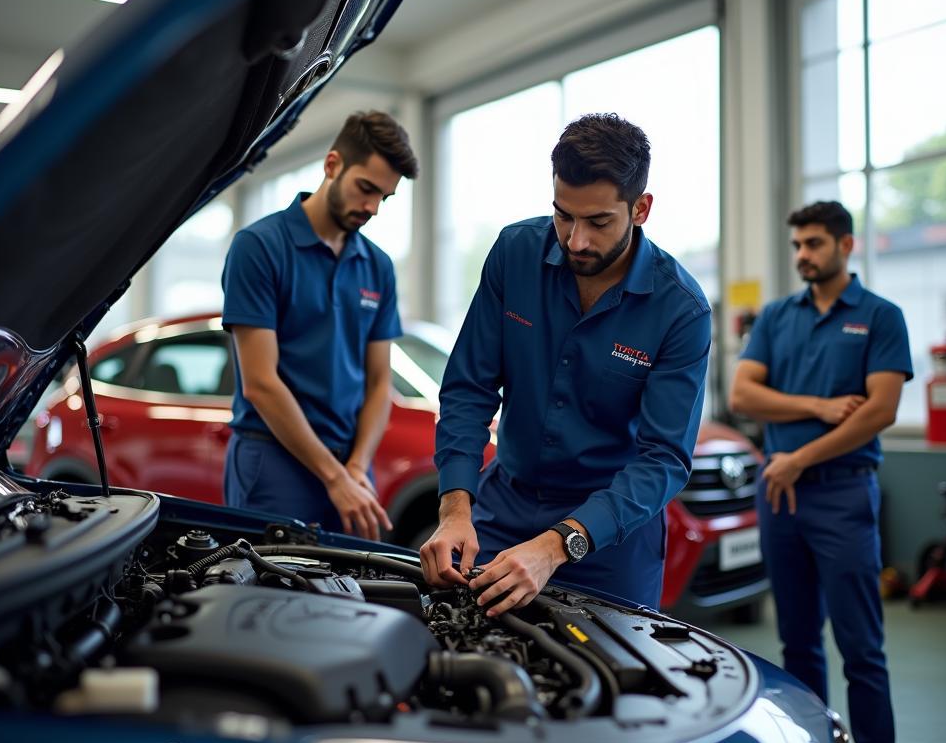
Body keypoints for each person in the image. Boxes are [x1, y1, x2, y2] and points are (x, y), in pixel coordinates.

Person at [420, 112, 711, 616]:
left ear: (640, 208)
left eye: (598, 222)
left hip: (611, 536)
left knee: (611, 682)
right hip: (503, 508)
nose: (576, 240)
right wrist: (454, 510)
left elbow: (662, 458)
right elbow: (468, 390)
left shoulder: (680, 309)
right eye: (563, 215)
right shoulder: (514, 253)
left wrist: (556, 546)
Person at [729, 200, 912, 743]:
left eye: (814, 244)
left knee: (862, 645)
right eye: (797, 245)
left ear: (845, 245)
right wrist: (820, 405)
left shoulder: (881, 318)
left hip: (841, 491)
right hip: (781, 494)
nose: (803, 255)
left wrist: (797, 455)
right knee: (797, 642)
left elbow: (880, 410)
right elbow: (742, 393)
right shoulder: (779, 316)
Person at [221, 110, 418, 539]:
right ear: (332, 165)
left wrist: (356, 467)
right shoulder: (258, 248)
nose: (372, 208)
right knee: (269, 602)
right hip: (273, 459)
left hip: (348, 463)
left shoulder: (378, 266)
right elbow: (260, 382)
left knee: (347, 600)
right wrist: (336, 478)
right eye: (366, 188)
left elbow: (380, 381)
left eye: (384, 197)